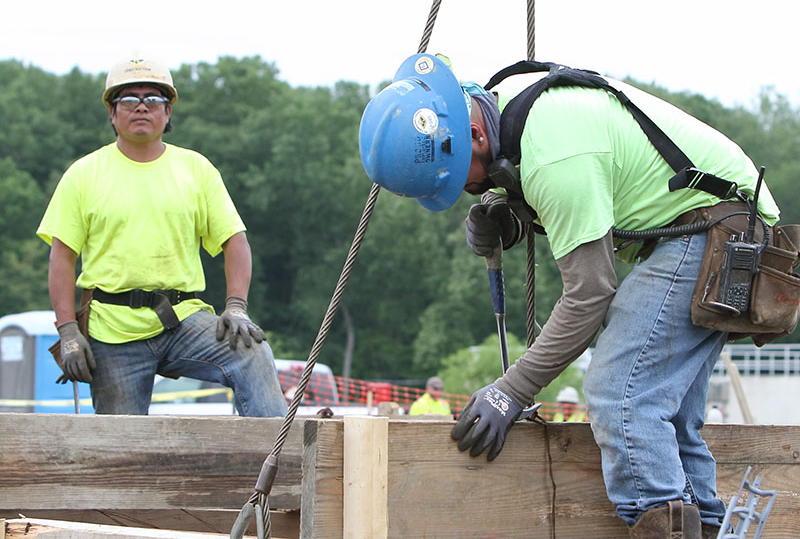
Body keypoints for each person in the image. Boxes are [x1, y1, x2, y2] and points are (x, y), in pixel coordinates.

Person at [358, 53, 780, 538]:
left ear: (475, 136)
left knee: (621, 395)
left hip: (714, 228)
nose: (472, 188)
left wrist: (511, 390)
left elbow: (590, 295)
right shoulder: (507, 106)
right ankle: (705, 527)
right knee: (667, 415)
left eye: (464, 178)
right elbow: (587, 184)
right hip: (719, 221)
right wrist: (508, 208)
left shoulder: (553, 153)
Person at [37, 54, 288, 418]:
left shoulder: (196, 170)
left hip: (183, 319)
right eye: (129, 99)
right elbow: (62, 258)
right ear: (112, 113)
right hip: (112, 331)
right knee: (120, 447)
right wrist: (68, 332)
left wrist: (236, 306)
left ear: (167, 113)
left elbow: (235, 240)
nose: (142, 107)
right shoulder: (84, 175)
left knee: (251, 351)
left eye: (153, 99)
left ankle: (278, 464)